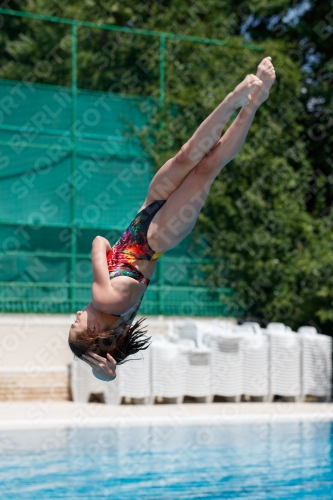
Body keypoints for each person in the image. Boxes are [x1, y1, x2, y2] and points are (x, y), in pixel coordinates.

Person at [68, 57, 276, 382]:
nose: (77, 314)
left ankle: (241, 99)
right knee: (204, 164)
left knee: (191, 157)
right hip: (156, 236)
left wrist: (105, 372)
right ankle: (248, 102)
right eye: (76, 322)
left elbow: (109, 371)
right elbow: (98, 242)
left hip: (147, 215)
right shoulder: (103, 299)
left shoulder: (120, 316)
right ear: (94, 330)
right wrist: (106, 261)